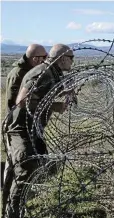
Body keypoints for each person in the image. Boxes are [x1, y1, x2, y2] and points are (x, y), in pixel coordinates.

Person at [2, 44, 74, 218]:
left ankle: (15, 208)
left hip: (32, 129)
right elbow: (21, 101)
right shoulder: (42, 73)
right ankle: (13, 213)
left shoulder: (52, 73)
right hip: (21, 129)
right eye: (71, 58)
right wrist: (53, 104)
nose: (73, 62)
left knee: (35, 167)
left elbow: (42, 98)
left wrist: (62, 99)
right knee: (26, 168)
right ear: (62, 58)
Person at [1, 44, 47, 213]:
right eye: (44, 58)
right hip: (15, 127)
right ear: (35, 59)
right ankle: (9, 207)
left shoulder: (29, 72)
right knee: (14, 169)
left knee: (21, 167)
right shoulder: (19, 74)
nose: (46, 61)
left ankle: (17, 204)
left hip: (24, 126)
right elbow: (17, 104)